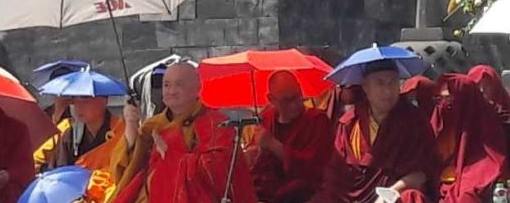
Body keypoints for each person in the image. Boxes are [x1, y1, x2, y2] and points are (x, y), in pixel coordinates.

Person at [109, 62, 257, 203]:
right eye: (166, 85)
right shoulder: (152, 126)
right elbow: (127, 173)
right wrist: (131, 126)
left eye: (179, 85)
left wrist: (172, 156)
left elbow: (221, 172)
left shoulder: (216, 123)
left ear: (197, 87)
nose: (171, 91)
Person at [312, 60, 437, 203]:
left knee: (411, 198)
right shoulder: (349, 122)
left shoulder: (414, 121)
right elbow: (335, 174)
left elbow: (422, 172)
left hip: (394, 197)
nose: (387, 91)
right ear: (365, 86)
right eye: (380, 83)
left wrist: (390, 193)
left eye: (393, 82)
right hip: (349, 196)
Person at [245, 70, 332, 202]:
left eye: (297, 96)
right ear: (271, 100)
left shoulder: (317, 120)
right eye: (286, 101)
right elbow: (256, 167)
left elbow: (313, 170)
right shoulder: (266, 119)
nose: (295, 105)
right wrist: (251, 157)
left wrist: (273, 145)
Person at [431, 73, 506, 202]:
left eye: (449, 99)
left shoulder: (485, 119)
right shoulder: (441, 120)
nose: (445, 104)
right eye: (441, 99)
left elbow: (488, 164)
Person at [43, 95, 124, 172]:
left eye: (85, 99)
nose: (78, 106)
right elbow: (60, 173)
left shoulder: (121, 131)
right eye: (74, 99)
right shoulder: (71, 134)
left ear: (104, 100)